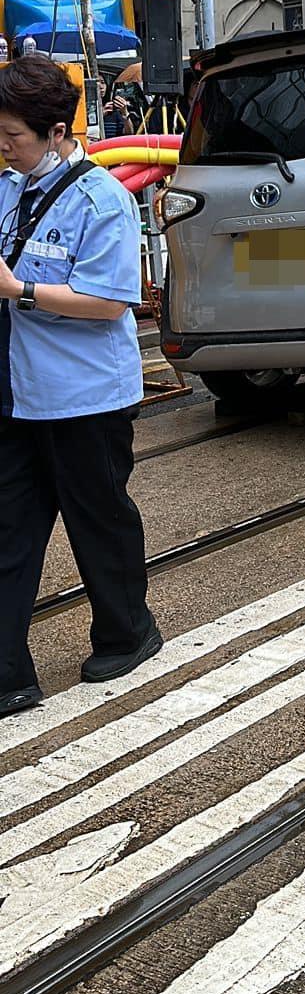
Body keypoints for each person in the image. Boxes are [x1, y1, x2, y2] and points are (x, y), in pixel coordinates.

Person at [0, 55, 161, 717]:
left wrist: (21, 291)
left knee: (98, 522)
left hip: (86, 399)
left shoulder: (104, 200)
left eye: (12, 136)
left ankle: (128, 632)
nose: (2, 147)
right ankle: (9, 672)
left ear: (56, 133)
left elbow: (110, 302)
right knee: (10, 531)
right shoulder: (7, 190)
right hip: (16, 396)